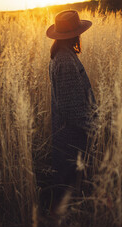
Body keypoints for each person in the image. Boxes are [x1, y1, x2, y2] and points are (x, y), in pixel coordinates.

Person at [46, 10, 97, 212]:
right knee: (66, 187)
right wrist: (93, 126)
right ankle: (59, 224)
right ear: (75, 34)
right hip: (71, 136)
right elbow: (70, 108)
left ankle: (60, 220)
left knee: (65, 185)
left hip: (65, 133)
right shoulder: (65, 60)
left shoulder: (60, 54)